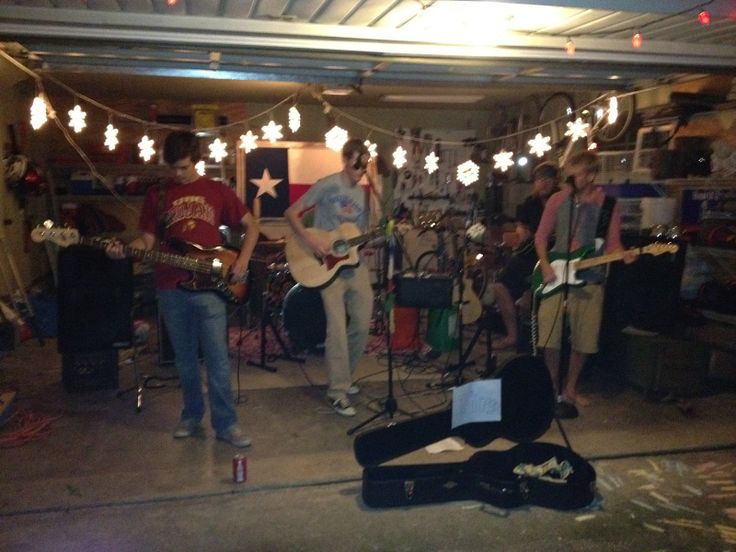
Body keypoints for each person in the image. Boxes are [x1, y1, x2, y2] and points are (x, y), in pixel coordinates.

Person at [106, 130, 259, 447]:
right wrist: (125, 248)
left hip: (210, 285)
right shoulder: (157, 195)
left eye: (183, 167)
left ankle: (226, 424)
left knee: (217, 358)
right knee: (184, 360)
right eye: (172, 167)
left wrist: (242, 260)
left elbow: (251, 225)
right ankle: (191, 416)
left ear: (197, 160)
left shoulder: (217, 190)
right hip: (169, 286)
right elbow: (147, 240)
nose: (177, 174)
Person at [534, 151, 637, 414]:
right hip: (556, 275)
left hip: (590, 278)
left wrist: (623, 254)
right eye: (569, 172)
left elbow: (612, 244)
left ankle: (570, 387)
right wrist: (545, 266)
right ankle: (550, 386)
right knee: (549, 335)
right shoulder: (558, 200)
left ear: (590, 175)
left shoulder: (608, 206)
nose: (570, 178)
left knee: (584, 338)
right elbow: (541, 237)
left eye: (576, 173)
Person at [284, 139, 374, 417]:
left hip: (352, 263)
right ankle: (337, 391)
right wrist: (311, 240)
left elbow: (355, 235)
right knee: (336, 328)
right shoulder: (328, 184)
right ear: (346, 160)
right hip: (325, 264)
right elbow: (291, 213)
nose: (361, 168)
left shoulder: (364, 195)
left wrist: (374, 237)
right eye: (357, 162)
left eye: (365, 163)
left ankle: (345, 376)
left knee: (362, 321)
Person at [490, 162, 559, 350]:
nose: (543, 184)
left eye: (548, 179)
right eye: (539, 179)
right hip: (528, 256)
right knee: (499, 285)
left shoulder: (563, 201)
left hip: (555, 258)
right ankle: (512, 335)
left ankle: (544, 343)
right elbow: (521, 227)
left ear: (555, 181)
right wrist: (519, 234)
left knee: (540, 299)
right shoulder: (530, 202)